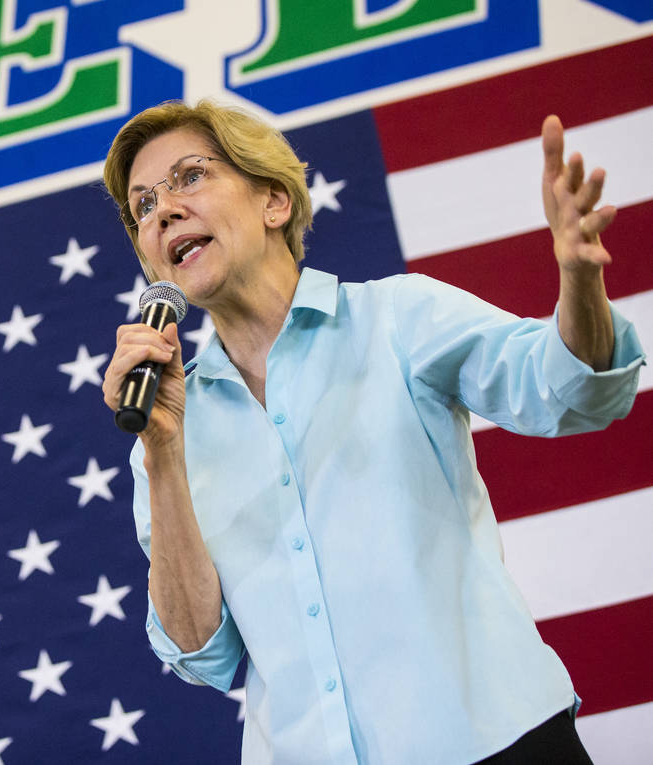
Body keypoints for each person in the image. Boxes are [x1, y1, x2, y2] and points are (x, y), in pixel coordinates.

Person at [100, 99, 646, 764]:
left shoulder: (397, 318)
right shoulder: (167, 429)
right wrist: (161, 451)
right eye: (143, 205)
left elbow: (572, 391)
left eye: (189, 177)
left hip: (497, 746)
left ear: (274, 200)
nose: (163, 210)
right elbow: (200, 651)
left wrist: (580, 284)